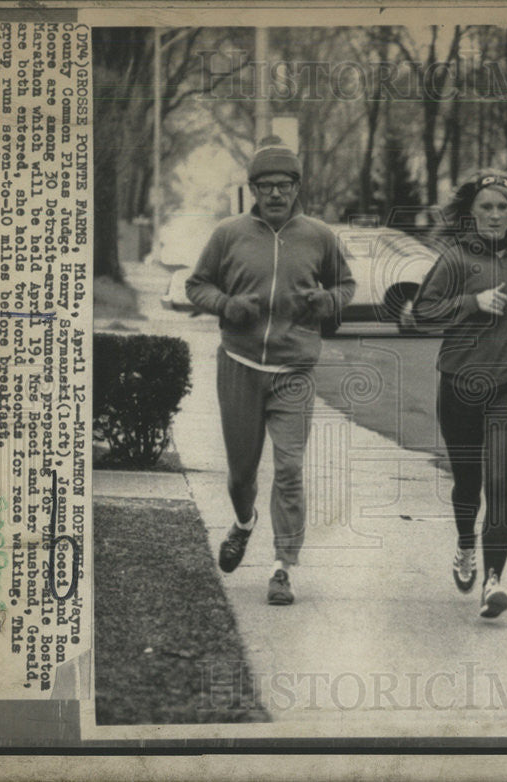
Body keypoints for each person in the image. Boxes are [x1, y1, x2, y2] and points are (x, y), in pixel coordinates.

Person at [185, 143, 356, 605]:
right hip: (239, 365)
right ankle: (244, 524)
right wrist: (227, 306)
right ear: (253, 191)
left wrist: (330, 302)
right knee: (242, 475)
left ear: (298, 188)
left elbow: (346, 284)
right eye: (266, 187)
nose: (276, 194)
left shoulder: (320, 235)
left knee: (290, 468)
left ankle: (283, 567)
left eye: (284, 185)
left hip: (294, 369)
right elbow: (196, 285)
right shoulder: (228, 234)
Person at [412, 169, 507, 619]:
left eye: (503, 208)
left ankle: (494, 580)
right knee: (469, 484)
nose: (495, 215)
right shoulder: (455, 259)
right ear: (471, 213)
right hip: (459, 384)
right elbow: (422, 314)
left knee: (499, 481)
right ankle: (464, 545)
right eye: (487, 207)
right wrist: (472, 304)